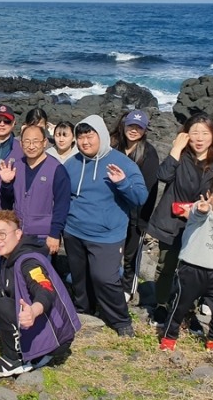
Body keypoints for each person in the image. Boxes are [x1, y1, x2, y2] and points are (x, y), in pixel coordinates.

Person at [63, 115, 148, 337]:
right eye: (80, 136)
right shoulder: (71, 163)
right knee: (79, 277)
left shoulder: (122, 163)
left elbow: (140, 197)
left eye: (89, 135)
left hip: (107, 235)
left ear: (100, 135)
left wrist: (123, 183)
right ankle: (84, 310)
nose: (85, 141)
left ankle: (121, 320)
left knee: (105, 278)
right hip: (73, 231)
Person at [146, 114, 213, 329]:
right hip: (172, 221)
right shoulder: (180, 155)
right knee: (166, 265)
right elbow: (162, 176)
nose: (199, 138)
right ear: (185, 135)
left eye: (205, 133)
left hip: (200, 225)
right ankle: (162, 304)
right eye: (194, 133)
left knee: (194, 270)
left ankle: (187, 310)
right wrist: (176, 148)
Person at [0, 210, 80, 377]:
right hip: (32, 320)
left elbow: (45, 290)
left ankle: (16, 360)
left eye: (2, 234)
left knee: (3, 307)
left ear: (18, 234)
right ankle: (31, 349)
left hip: (55, 336)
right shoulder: (6, 258)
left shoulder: (28, 261)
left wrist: (33, 311)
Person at [159, 176, 213, 352]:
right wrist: (203, 208)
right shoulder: (200, 209)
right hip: (191, 270)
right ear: (208, 194)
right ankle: (169, 338)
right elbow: (199, 212)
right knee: (179, 307)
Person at [0, 125, 71, 256]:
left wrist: (54, 234)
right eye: (27, 141)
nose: (31, 146)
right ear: (21, 143)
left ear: (44, 143)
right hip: (18, 233)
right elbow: (7, 202)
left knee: (39, 274)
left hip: (42, 236)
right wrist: (6, 184)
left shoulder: (57, 169)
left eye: (36, 141)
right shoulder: (15, 166)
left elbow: (62, 205)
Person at [110, 110, 159, 301]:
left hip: (137, 214)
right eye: (131, 126)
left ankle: (129, 287)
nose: (134, 130)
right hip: (116, 210)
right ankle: (111, 282)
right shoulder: (115, 147)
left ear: (145, 130)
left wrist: (143, 220)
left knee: (131, 253)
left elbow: (149, 190)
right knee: (114, 250)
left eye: (139, 127)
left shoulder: (149, 154)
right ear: (124, 126)